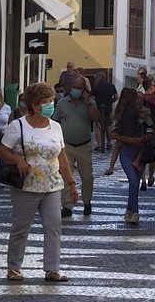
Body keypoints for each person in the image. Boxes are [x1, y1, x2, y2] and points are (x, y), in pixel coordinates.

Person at [2, 80, 76, 282]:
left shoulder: (56, 127)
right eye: (46, 101)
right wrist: (18, 160)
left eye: (51, 100)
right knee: (21, 227)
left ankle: (52, 268)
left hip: (52, 185)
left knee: (54, 226)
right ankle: (14, 267)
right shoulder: (18, 126)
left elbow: (62, 157)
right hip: (26, 185)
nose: (51, 104)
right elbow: (3, 151)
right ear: (35, 105)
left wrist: (71, 184)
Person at [55, 66, 99, 215]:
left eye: (79, 88)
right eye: (74, 87)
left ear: (84, 90)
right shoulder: (62, 103)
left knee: (87, 177)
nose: (76, 90)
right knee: (66, 176)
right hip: (66, 145)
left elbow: (97, 119)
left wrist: (88, 103)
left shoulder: (89, 104)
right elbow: (56, 121)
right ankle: (67, 205)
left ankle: (87, 201)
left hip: (84, 145)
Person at [108, 83, 149, 228]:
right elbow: (116, 139)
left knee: (134, 182)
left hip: (136, 152)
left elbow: (115, 138)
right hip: (132, 152)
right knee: (133, 181)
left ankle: (130, 210)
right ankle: (135, 212)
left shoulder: (133, 115)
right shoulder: (132, 116)